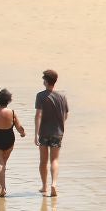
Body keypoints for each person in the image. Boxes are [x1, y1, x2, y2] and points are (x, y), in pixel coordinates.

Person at [34, 68, 69, 196]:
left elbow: (38, 115)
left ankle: (44, 187)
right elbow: (65, 114)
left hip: (43, 132)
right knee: (54, 160)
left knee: (43, 161)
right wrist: (61, 126)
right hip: (57, 133)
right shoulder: (62, 96)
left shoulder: (40, 96)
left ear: (46, 81)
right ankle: (54, 183)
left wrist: (36, 133)